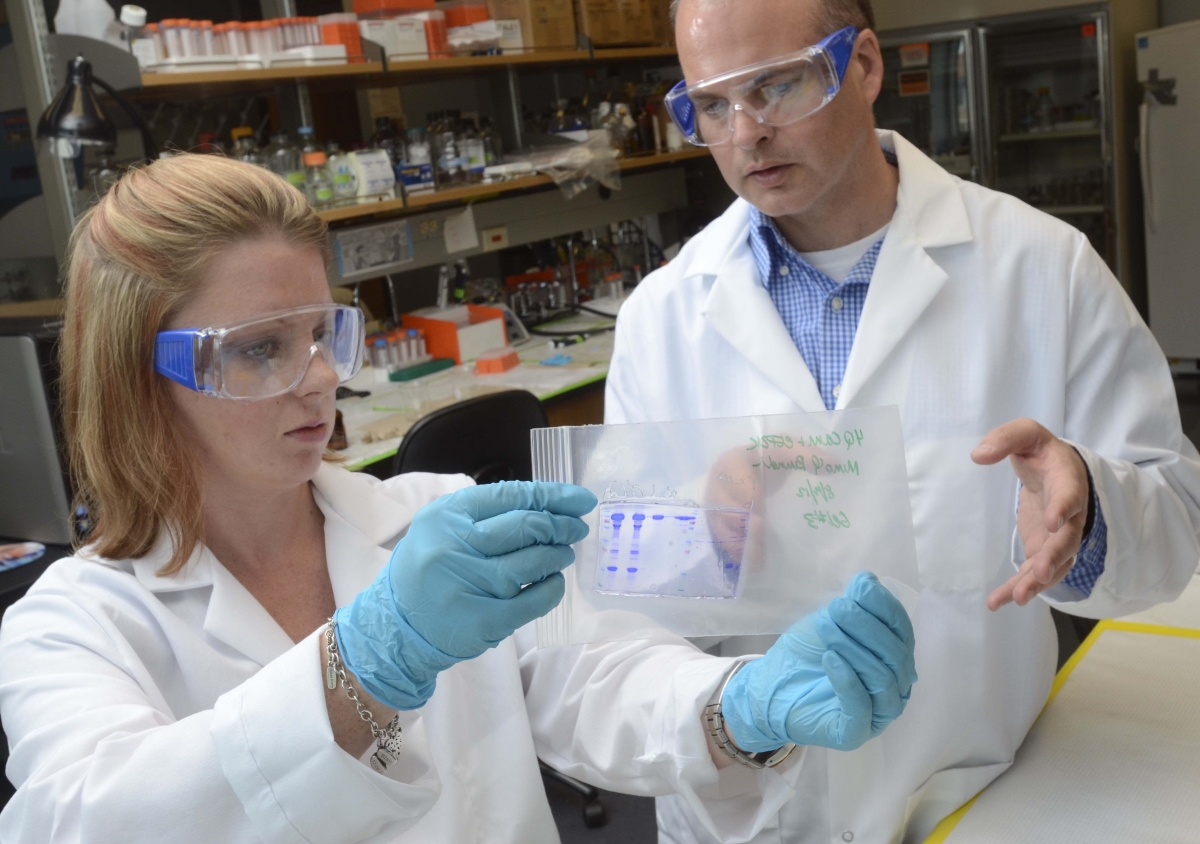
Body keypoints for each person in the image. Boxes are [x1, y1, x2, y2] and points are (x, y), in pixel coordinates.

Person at [0, 154, 918, 843]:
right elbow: (91, 821)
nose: (320, 380)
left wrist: (742, 703)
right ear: (139, 375)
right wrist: (359, 669)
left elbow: (589, 676)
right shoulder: (74, 626)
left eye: (323, 334)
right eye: (259, 349)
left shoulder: (425, 520)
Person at [605, 0, 1200, 842]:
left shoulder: (1042, 268)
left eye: (776, 85)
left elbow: (1178, 518)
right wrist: (701, 533)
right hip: (748, 810)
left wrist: (1090, 510)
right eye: (712, 105)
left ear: (867, 63)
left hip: (984, 791)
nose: (746, 133)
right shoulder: (662, 316)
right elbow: (622, 589)